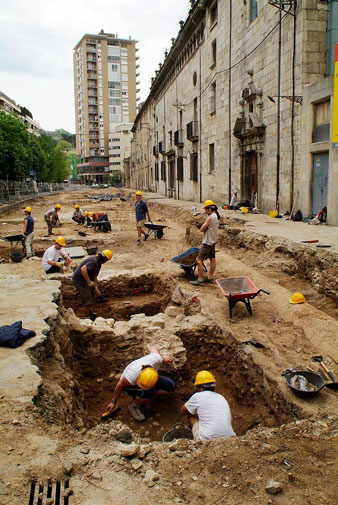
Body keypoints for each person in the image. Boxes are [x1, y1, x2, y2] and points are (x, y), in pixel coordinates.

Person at [106, 349, 176, 421]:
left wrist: (162, 358)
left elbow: (153, 349)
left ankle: (143, 398)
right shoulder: (131, 377)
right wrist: (113, 402)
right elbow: (119, 385)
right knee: (149, 391)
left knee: (171, 385)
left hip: (150, 378)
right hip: (128, 387)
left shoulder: (156, 359)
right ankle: (134, 406)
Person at [180, 370, 236, 441]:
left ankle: (196, 442)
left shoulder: (198, 396)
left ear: (200, 388)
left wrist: (196, 412)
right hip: (229, 439)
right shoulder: (221, 397)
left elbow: (182, 411)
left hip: (207, 440)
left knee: (191, 414)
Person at [72, 249, 113, 320]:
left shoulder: (98, 264)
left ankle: (90, 313)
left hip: (85, 279)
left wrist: (96, 289)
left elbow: (95, 277)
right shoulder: (93, 261)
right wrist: (89, 281)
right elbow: (83, 269)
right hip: (79, 280)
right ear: (105, 259)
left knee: (91, 295)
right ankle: (86, 318)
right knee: (87, 299)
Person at [190, 200, 220, 286]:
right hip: (213, 241)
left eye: (206, 210)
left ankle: (200, 279)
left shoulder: (210, 217)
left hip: (207, 242)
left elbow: (201, 229)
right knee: (212, 259)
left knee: (199, 260)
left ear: (210, 209)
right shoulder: (217, 216)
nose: (205, 211)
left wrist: (202, 226)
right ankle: (210, 277)